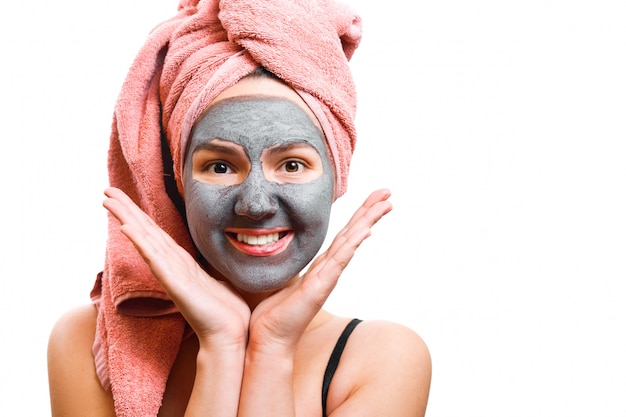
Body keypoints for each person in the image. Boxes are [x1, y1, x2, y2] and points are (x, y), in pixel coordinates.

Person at [47, 0, 431, 416]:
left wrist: (272, 350)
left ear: (336, 176)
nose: (255, 203)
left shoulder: (384, 359)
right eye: (219, 166)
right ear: (178, 181)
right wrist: (221, 346)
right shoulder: (84, 341)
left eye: (292, 164)